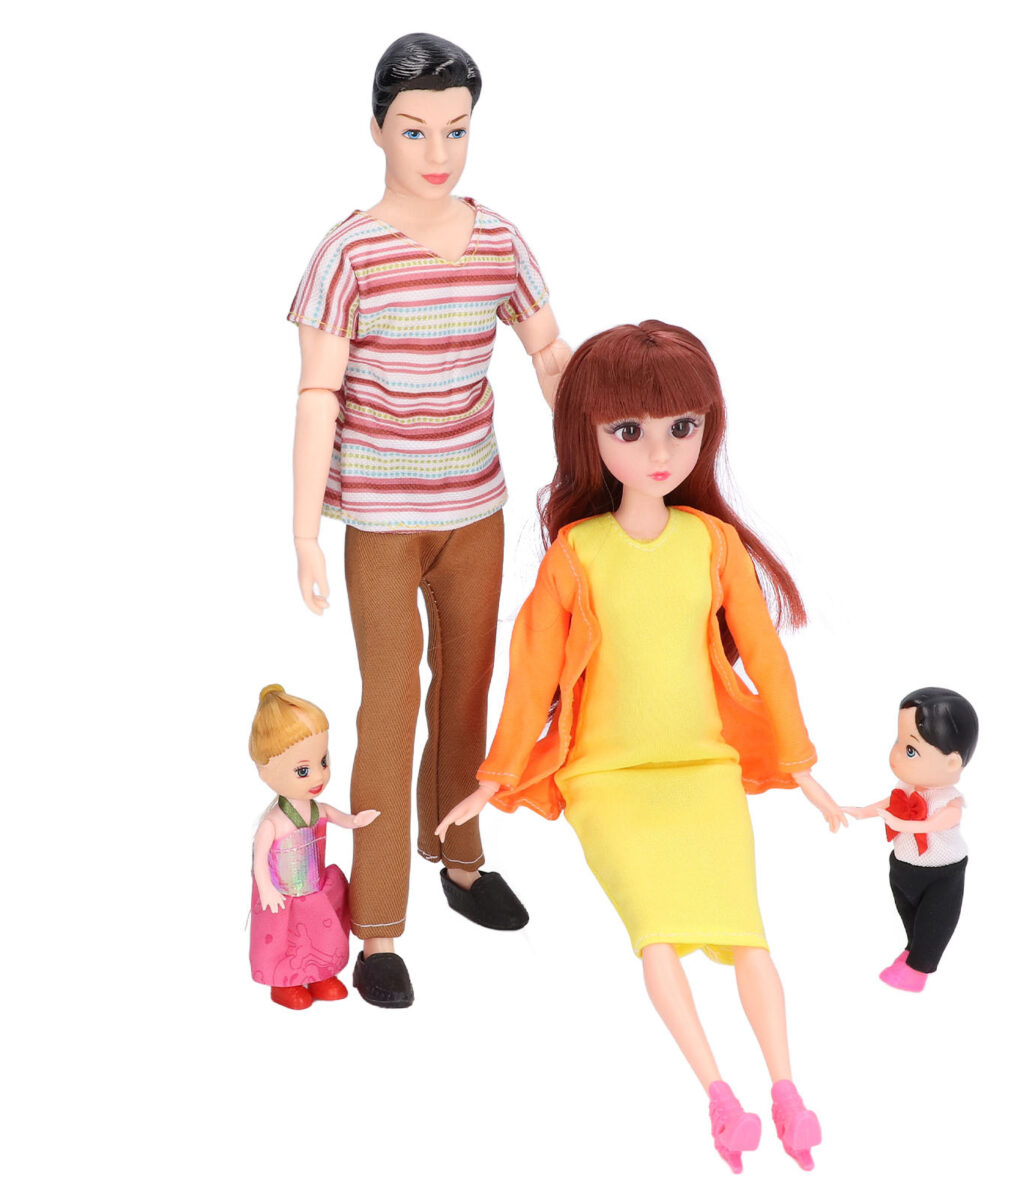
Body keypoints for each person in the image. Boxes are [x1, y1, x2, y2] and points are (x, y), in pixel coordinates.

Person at [437, 321, 843, 1173]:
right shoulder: (578, 553)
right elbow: (532, 667)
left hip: (704, 771)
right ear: (588, 434)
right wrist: (497, 775)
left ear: (706, 427)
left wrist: (801, 764)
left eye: (680, 428)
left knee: (748, 934)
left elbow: (763, 654)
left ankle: (787, 1090)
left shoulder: (711, 542)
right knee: (656, 934)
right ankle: (719, 1096)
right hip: (609, 778)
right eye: (630, 431)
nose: (660, 453)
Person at [287, 33, 570, 1007]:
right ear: (377, 130)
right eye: (415, 130)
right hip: (381, 515)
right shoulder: (348, 253)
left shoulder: (498, 240)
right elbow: (317, 394)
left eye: (456, 129)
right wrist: (303, 529)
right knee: (388, 704)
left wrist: (602, 440)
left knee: (468, 685)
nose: (438, 151)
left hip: (475, 503)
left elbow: (548, 353)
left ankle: (459, 854)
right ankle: (377, 927)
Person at [248, 685, 379, 1010]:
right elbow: (259, 860)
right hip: (284, 896)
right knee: (286, 942)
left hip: (315, 890)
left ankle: (321, 974)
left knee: (321, 935)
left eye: (323, 761)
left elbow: (339, 818)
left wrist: (356, 820)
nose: (318, 776)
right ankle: (285, 984)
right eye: (303, 770)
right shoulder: (273, 823)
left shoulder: (317, 809)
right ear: (265, 771)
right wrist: (266, 889)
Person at [842, 687, 979, 992]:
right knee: (910, 915)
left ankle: (918, 970)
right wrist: (863, 812)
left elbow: (942, 822)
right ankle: (911, 949)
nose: (896, 756)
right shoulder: (904, 786)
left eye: (910, 750)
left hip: (941, 873)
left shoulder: (947, 799)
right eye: (898, 742)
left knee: (935, 922)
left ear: (951, 763)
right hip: (903, 868)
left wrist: (902, 823)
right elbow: (888, 803)